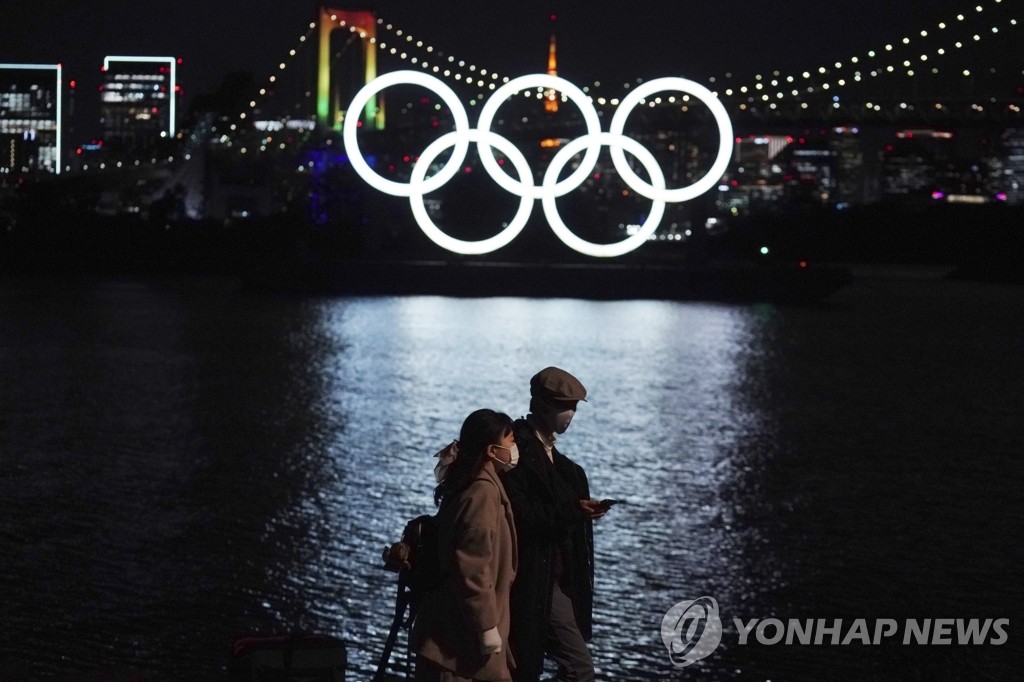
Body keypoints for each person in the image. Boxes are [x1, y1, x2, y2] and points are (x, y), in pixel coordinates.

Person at [500, 367, 608, 682]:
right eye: (566, 406)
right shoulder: (518, 453)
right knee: (579, 668)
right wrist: (574, 511)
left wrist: (578, 511)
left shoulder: (554, 460)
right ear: (544, 405)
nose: (571, 414)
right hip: (534, 578)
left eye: (574, 407)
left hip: (552, 578)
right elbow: (522, 517)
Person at [412, 409, 520, 682]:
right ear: (491, 450)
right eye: (510, 441)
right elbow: (472, 565)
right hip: (459, 646)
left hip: (455, 637)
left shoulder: (468, 481)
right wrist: (486, 626)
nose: (514, 448)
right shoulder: (482, 492)